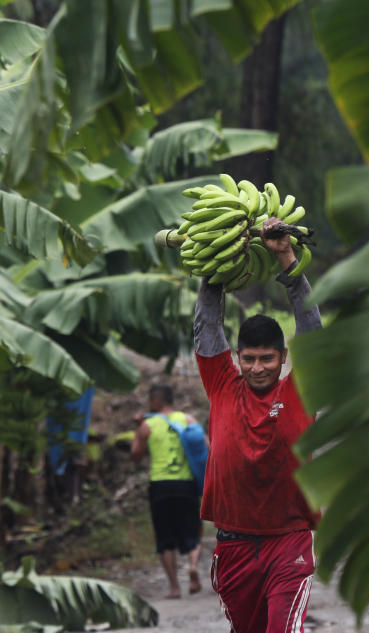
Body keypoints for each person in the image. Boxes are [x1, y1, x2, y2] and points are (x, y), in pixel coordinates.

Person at [194, 217, 322, 633]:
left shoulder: (299, 391)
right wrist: (218, 260)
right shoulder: (222, 387)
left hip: (289, 540)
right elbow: (207, 328)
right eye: (248, 358)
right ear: (238, 357)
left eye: (267, 358)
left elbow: (311, 329)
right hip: (233, 546)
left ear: (283, 358)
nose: (257, 367)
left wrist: (286, 258)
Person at [131, 384, 203, 598]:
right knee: (192, 530)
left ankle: (174, 587)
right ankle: (193, 566)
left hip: (160, 485)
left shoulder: (147, 425)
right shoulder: (188, 420)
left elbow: (135, 455)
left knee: (164, 537)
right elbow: (205, 446)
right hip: (186, 483)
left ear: (156, 401)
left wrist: (138, 429)